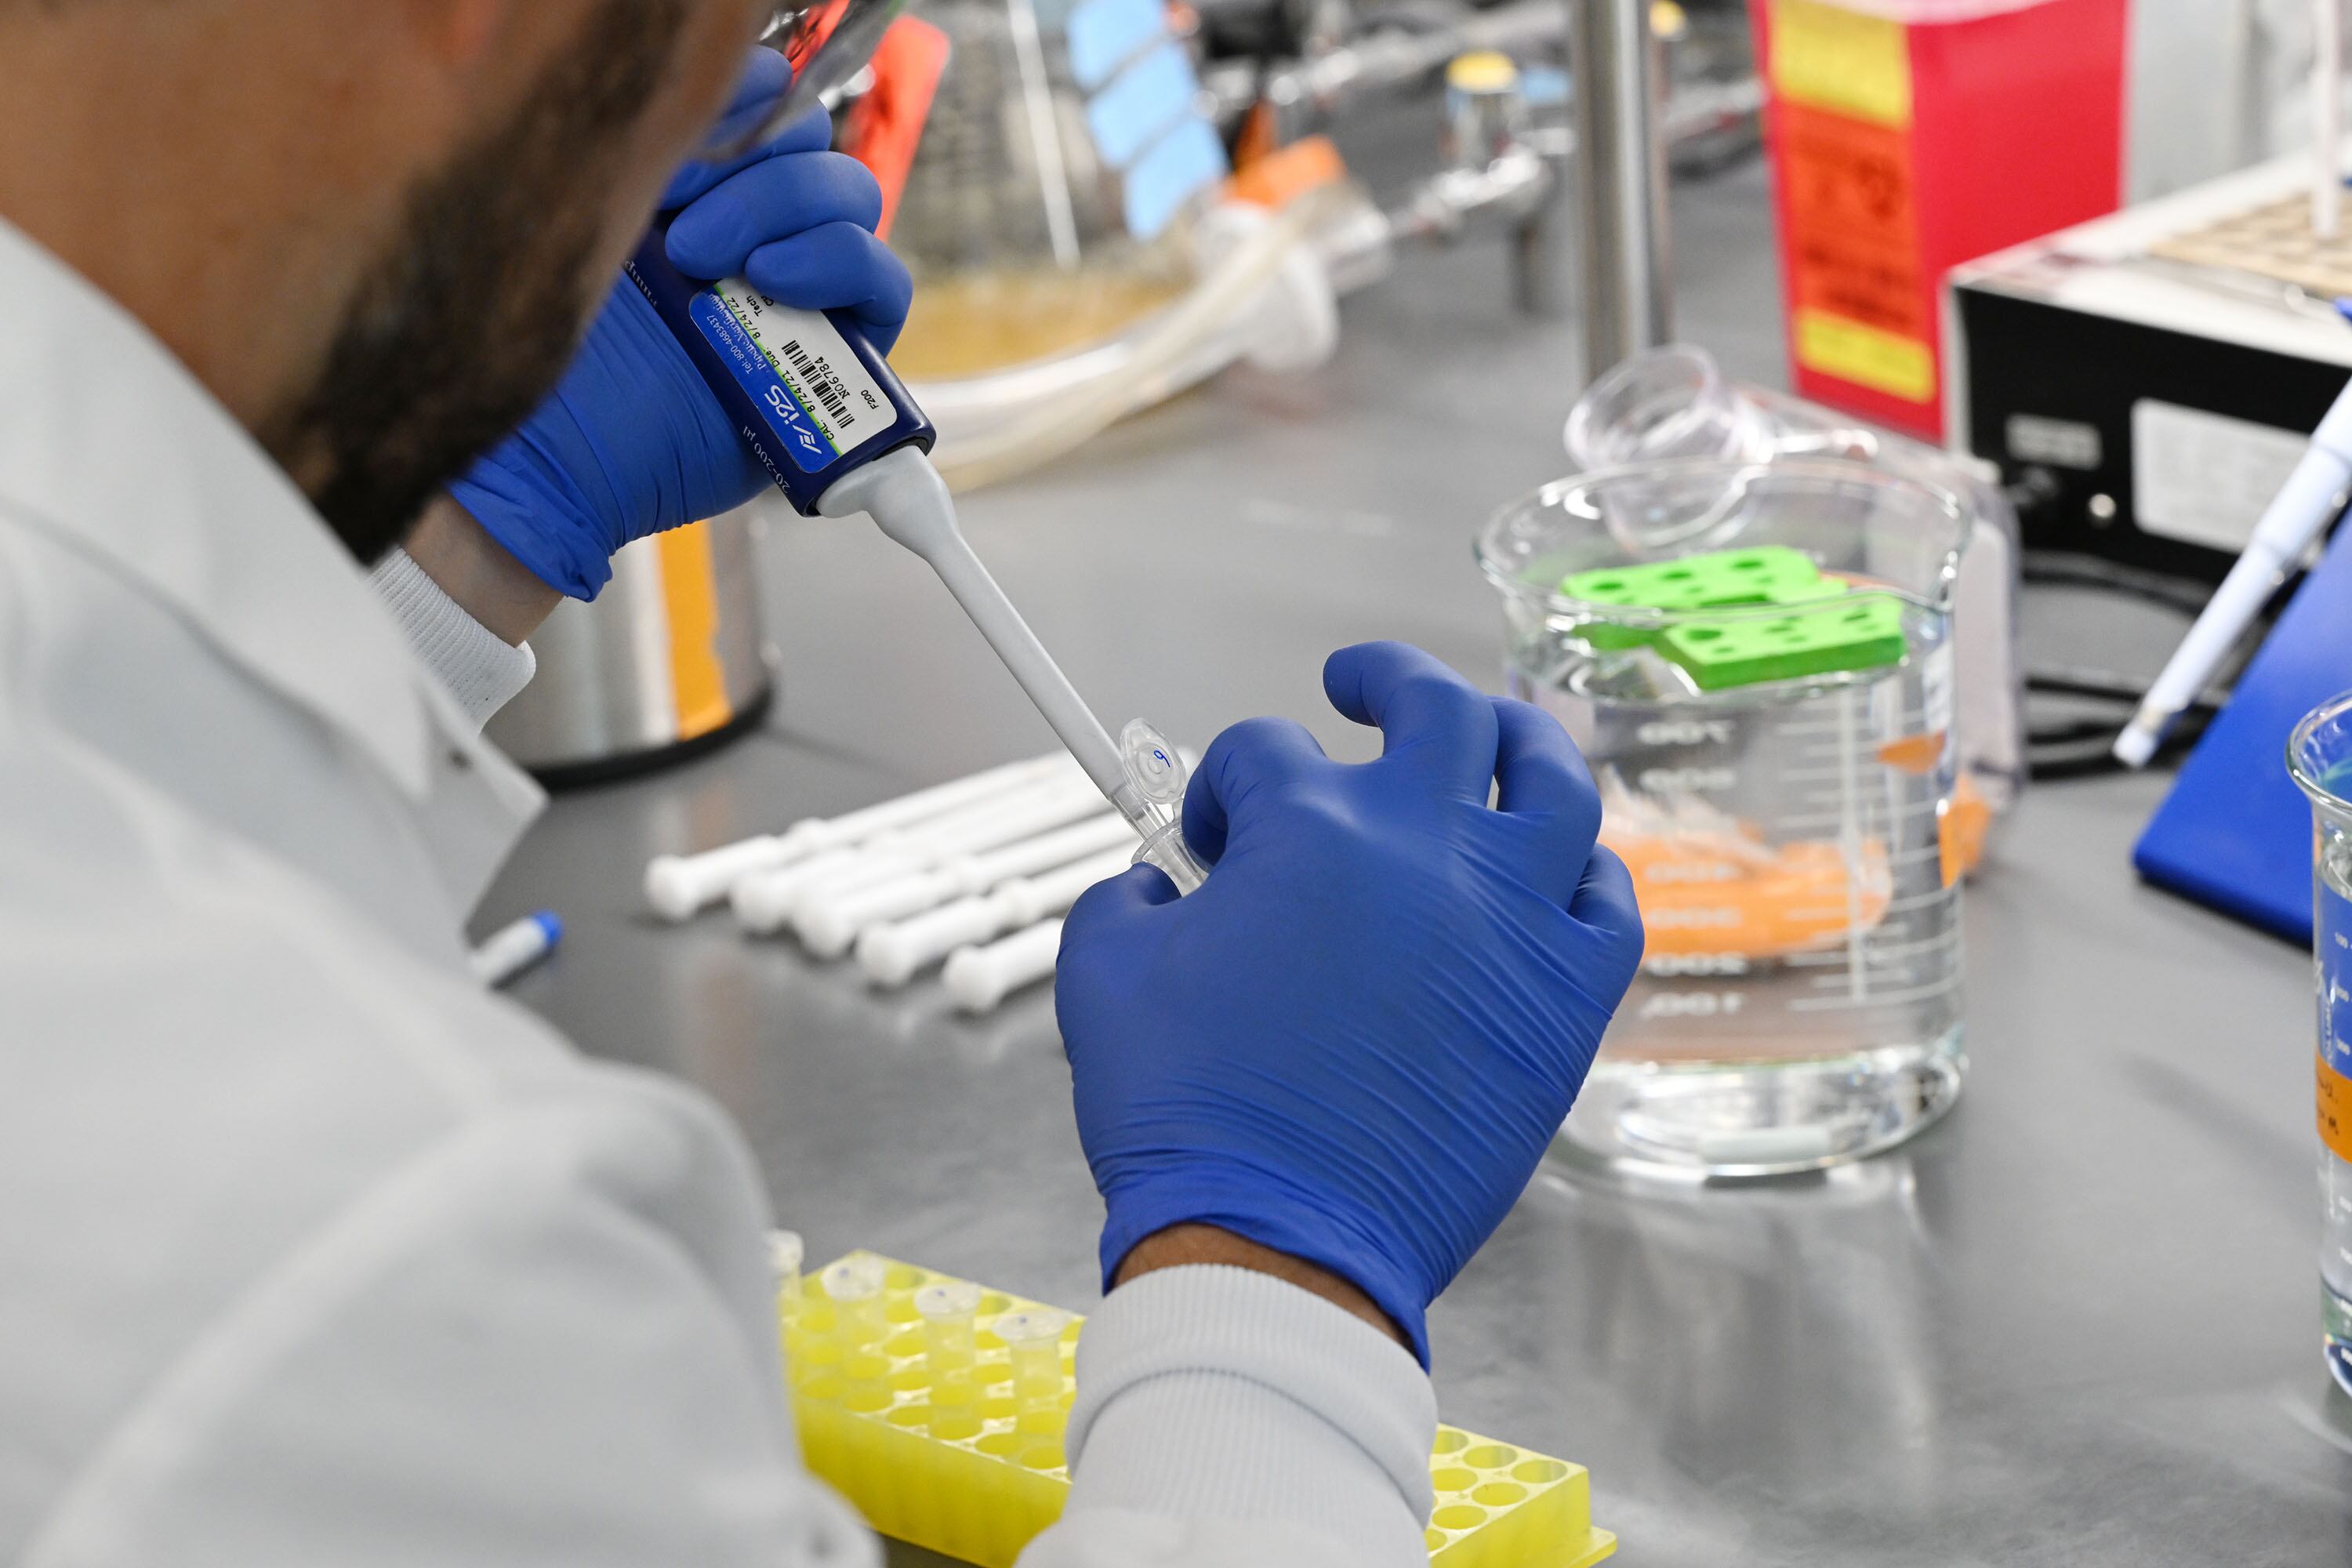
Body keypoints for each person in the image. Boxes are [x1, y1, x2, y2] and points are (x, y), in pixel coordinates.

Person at [0, 3, 1643, 1565]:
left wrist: (459, 546)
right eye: (776, 30)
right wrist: (1280, 1279)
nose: (770, 90)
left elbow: (111, 827)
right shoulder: (392, 1268)